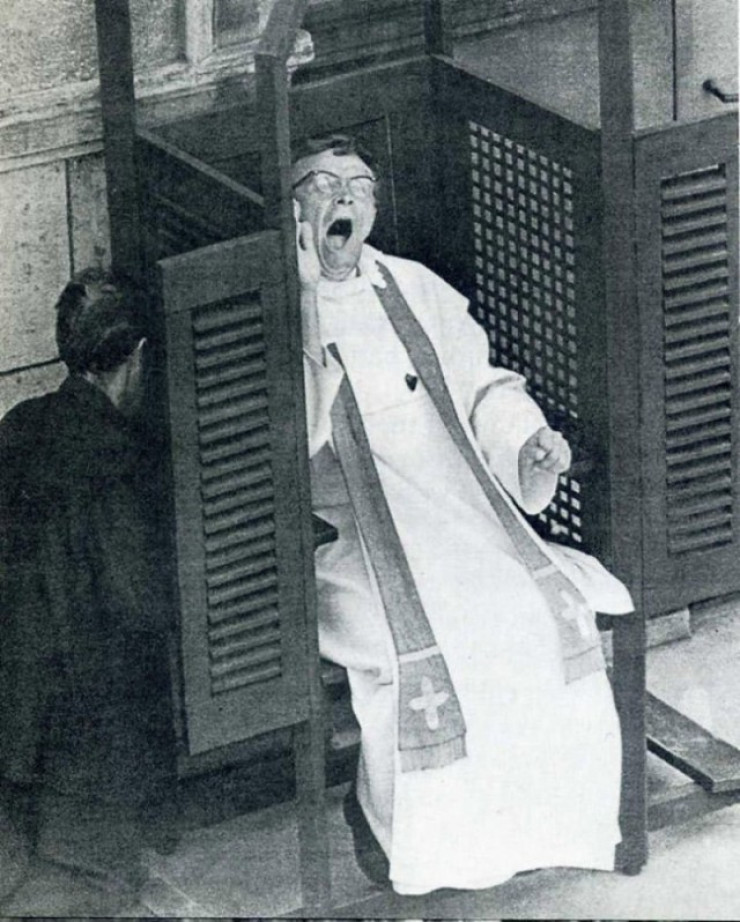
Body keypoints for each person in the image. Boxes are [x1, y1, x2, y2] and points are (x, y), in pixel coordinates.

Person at [293, 135, 634, 895]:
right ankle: (403, 839)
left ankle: (539, 829)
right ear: (293, 211)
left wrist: (528, 443)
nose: (345, 198)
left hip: (462, 508)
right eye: (323, 185)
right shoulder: (280, 306)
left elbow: (485, 388)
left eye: (360, 185)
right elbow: (288, 436)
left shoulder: (415, 287)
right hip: (350, 533)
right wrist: (308, 302)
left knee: (538, 613)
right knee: (427, 645)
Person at [0, 268, 177, 911]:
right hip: (77, 743)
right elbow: (141, 601)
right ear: (139, 356)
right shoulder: (115, 460)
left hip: (14, 718)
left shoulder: (19, 424)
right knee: (99, 893)